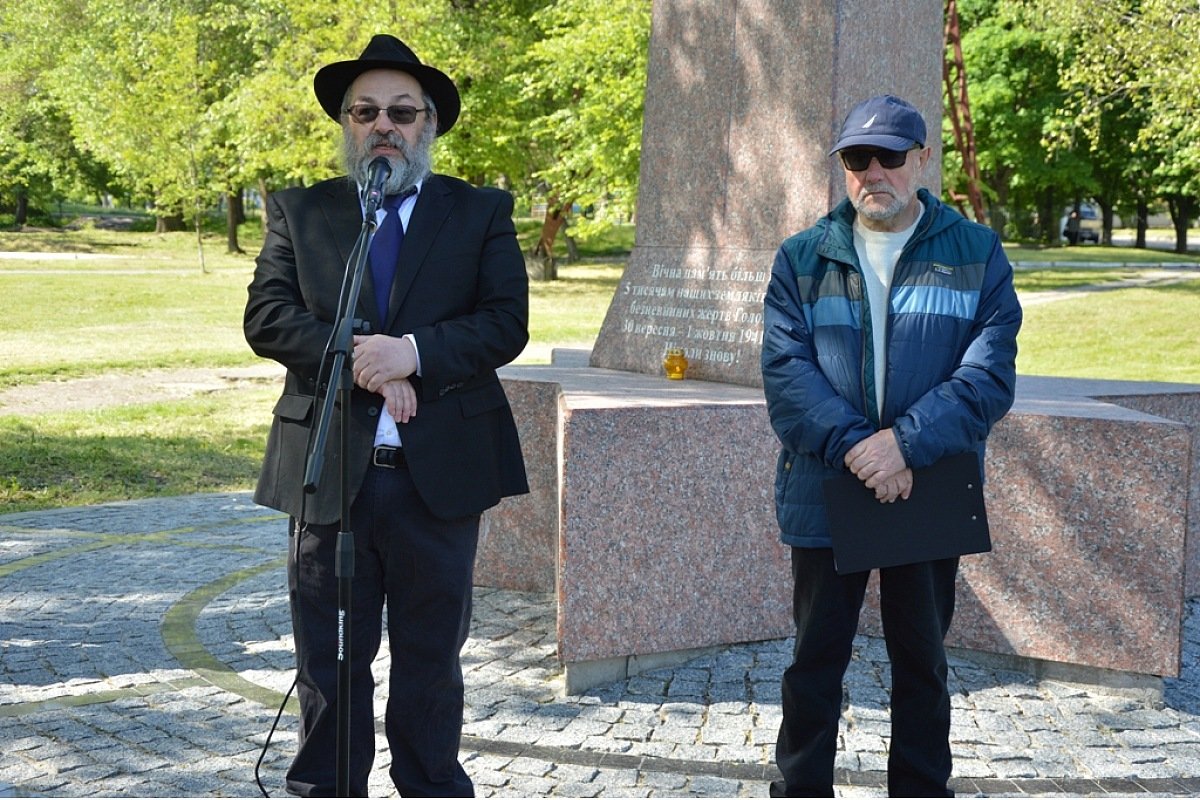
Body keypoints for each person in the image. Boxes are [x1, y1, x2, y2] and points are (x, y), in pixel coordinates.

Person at [243, 34, 529, 797]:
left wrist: (415, 354)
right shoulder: (302, 211)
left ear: (428, 124)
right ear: (347, 123)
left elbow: (505, 322)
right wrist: (370, 361)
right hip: (330, 475)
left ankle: (431, 787)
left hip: (437, 480)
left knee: (430, 663)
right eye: (365, 111)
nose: (384, 126)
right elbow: (267, 318)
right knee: (330, 662)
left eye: (402, 112)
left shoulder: (479, 211)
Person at [760, 95, 1021, 797]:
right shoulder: (801, 258)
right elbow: (786, 375)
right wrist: (864, 450)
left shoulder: (977, 252)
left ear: (923, 159)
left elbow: (989, 376)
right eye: (856, 158)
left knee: (922, 664)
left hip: (928, 483)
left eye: (890, 156)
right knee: (814, 660)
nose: (874, 171)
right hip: (826, 483)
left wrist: (904, 445)